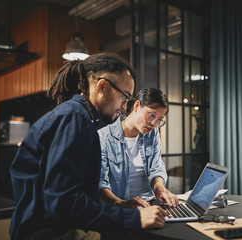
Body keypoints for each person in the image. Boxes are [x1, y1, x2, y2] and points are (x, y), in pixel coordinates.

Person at [9, 53, 167, 240]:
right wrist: (133, 217)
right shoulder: (75, 120)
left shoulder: (77, 117)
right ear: (102, 87)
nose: (125, 107)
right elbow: (63, 202)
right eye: (124, 97)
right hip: (47, 231)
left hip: (47, 224)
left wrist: (122, 206)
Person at [98, 88, 179, 209]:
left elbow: (156, 166)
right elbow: (100, 184)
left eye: (160, 120)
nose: (154, 124)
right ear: (137, 106)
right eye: (152, 115)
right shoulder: (103, 137)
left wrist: (158, 186)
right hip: (119, 207)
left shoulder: (152, 133)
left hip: (150, 203)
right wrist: (121, 203)